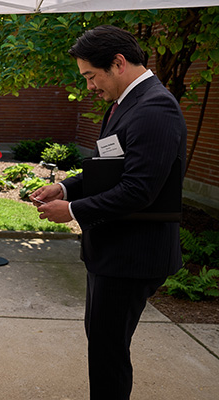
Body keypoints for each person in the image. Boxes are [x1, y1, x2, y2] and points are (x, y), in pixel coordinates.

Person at [31, 25, 187, 399]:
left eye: (91, 76)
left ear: (117, 63)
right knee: (103, 345)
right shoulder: (126, 104)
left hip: (132, 255)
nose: (89, 87)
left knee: (108, 353)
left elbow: (139, 190)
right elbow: (108, 167)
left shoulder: (156, 108)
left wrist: (72, 210)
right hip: (113, 252)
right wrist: (67, 186)